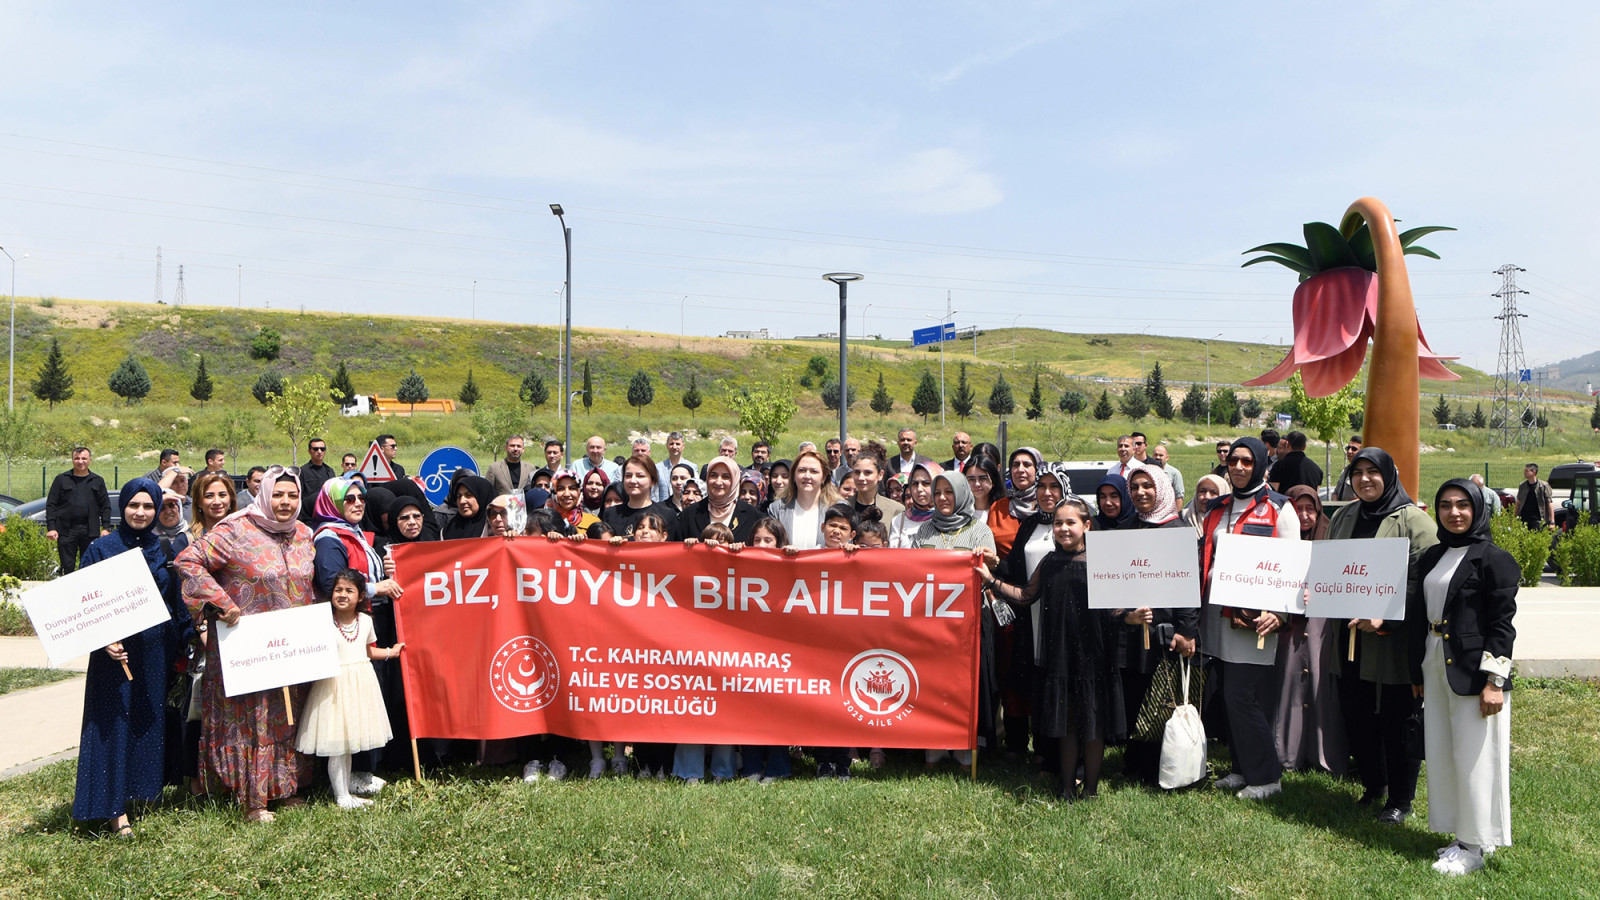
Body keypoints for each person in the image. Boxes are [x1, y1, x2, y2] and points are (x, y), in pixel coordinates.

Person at [176, 467, 317, 822]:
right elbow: (188, 561)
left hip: (291, 647)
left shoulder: (303, 533)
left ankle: (285, 788)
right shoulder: (236, 530)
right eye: (278, 494)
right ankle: (252, 799)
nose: (285, 502)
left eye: (292, 496)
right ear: (264, 495)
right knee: (255, 720)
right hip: (246, 648)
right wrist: (220, 603)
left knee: (286, 715)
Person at [70, 478, 196, 837]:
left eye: (148, 506)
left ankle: (138, 793)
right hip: (115, 657)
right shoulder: (101, 549)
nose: (140, 512)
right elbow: (82, 604)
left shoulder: (161, 548)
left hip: (154, 655)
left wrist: (193, 635)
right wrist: (102, 640)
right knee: (113, 724)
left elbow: (176, 603)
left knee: (145, 721)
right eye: (133, 505)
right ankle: (113, 809)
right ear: (121, 507)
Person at [1409, 479, 1517, 876]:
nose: (1454, 512)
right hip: (1435, 662)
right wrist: (1416, 670)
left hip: (1474, 673)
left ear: (1477, 509)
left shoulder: (1494, 559)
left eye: (1462, 505)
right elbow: (1418, 615)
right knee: (1443, 752)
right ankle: (1460, 835)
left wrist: (1495, 682)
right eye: (1445, 505)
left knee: (1475, 760)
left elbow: (1502, 626)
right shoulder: (1434, 555)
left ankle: (1474, 846)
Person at [1326, 447, 1438, 824]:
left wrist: (1385, 618)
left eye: (1372, 472)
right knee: (1357, 715)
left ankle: (1400, 800)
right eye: (1357, 472)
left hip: (1393, 643)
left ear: (1389, 475)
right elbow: (1329, 567)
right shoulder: (1345, 516)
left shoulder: (1414, 522)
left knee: (1395, 719)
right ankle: (1374, 785)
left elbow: (1424, 582)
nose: (1364, 479)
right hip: (1349, 638)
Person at [983, 498, 1119, 801]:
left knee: (1092, 724)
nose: (1063, 528)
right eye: (1058, 523)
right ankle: (1066, 787)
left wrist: (1133, 616)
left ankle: (1091, 790)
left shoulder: (1100, 562)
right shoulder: (1050, 561)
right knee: (1067, 723)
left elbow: (1114, 608)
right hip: (1060, 654)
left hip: (1092, 653)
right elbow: (1025, 595)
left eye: (1071, 523)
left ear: (1087, 526)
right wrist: (991, 581)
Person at [1198, 437, 1298, 800]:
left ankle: (1267, 777)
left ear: (1260, 464)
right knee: (1228, 696)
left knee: (1242, 696)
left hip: (1253, 621)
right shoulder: (1218, 507)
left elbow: (1293, 566)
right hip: (1215, 615)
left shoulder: (1279, 508)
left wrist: (1280, 613)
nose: (1238, 467)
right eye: (1234, 461)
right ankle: (1241, 768)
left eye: (1247, 461)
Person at [1117, 465, 1200, 785]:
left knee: (1161, 699)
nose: (1140, 492)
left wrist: (1187, 630)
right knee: (1135, 694)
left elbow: (1189, 584)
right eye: (1134, 487)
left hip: (1166, 630)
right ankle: (1133, 760)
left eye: (1147, 486)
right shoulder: (1126, 529)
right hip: (1133, 628)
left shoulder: (1178, 531)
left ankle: (1158, 764)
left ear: (1162, 489)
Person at [911, 470, 996, 768]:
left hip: (968, 625)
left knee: (964, 686)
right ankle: (934, 745)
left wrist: (989, 559)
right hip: (930, 624)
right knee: (933, 684)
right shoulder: (924, 531)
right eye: (938, 493)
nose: (942, 498)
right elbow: (910, 571)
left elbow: (990, 571)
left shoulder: (979, 531)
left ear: (961, 493)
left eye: (949, 492)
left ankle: (963, 746)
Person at [295, 569, 401, 809]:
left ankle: (344, 791)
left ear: (361, 595)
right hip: (333, 688)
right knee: (337, 743)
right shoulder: (323, 621)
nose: (342, 595)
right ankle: (341, 796)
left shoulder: (365, 621)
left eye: (349, 591)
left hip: (359, 684)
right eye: (338, 590)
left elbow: (368, 650)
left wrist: (390, 652)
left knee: (350, 740)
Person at [1274, 485, 1347, 777]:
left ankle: (1322, 752)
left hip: (1320, 624)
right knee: (1288, 681)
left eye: (1310, 510)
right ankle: (1287, 751)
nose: (1304, 516)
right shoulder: (1277, 542)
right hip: (1288, 625)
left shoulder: (1330, 541)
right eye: (1297, 510)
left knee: (1319, 680)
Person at [46, 446, 113, 574]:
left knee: (89, 566)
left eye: (84, 458)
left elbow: (105, 506)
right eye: (77, 458)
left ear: (90, 460)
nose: (80, 461)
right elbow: (51, 505)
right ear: (72, 460)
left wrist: (106, 528)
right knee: (67, 567)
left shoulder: (97, 481)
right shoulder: (61, 479)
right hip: (66, 530)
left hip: (90, 530)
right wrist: (52, 528)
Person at [679, 457, 762, 544]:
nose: (718, 482)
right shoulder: (690, 514)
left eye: (725, 477)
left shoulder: (752, 515)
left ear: (735, 480)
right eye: (713, 475)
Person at [767, 450, 839, 550]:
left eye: (814, 471)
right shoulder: (776, 509)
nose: (807, 476)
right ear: (793, 476)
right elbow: (770, 546)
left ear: (824, 477)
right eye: (802, 470)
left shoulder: (838, 508)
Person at [602, 454, 681, 539]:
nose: (633, 480)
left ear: (652, 481)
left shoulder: (666, 514)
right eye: (628, 476)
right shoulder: (611, 514)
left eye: (640, 476)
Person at [888, 463, 940, 548]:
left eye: (926, 483)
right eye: (915, 484)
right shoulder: (898, 521)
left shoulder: (948, 520)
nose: (919, 489)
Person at [441, 475, 497, 541]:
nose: (462, 501)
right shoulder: (448, 530)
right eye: (459, 496)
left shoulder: (497, 527)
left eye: (468, 495)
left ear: (482, 497)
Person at [653, 432, 694, 502]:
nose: (674, 447)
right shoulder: (658, 468)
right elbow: (654, 493)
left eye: (677, 444)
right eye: (671, 444)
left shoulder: (692, 467)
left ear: (683, 446)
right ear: (667, 445)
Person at [1515, 463, 1554, 531]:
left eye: (1527, 471)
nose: (1524, 472)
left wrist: (1552, 521)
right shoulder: (1522, 486)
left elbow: (1549, 503)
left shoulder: (1543, 486)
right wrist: (1515, 517)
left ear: (1534, 472)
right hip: (1524, 519)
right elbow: (1518, 502)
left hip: (1538, 519)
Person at [1333, 436, 1362, 501]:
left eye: (1354, 449)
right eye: (1348, 448)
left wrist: (1349, 505)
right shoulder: (1345, 471)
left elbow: (1365, 498)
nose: (1349, 451)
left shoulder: (1363, 473)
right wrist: (1335, 504)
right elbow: (1335, 492)